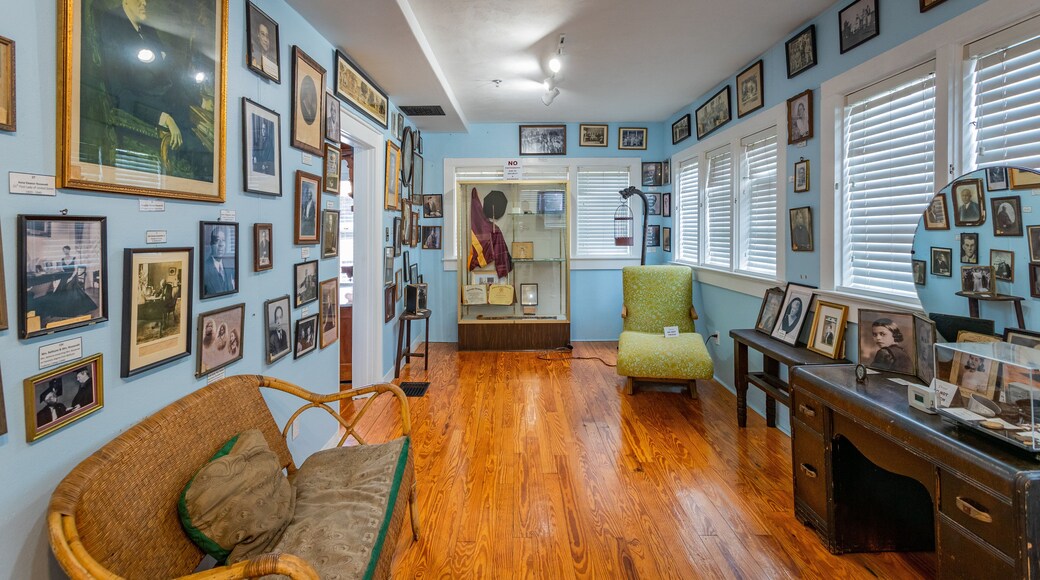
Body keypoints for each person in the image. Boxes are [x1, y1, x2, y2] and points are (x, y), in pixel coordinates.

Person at [98, 0, 210, 180]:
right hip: (150, 108)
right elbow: (120, 91)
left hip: (174, 104)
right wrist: (162, 117)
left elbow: (170, 74)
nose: (144, 3)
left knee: (207, 145)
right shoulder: (111, 23)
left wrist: (200, 101)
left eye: (146, 0)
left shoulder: (148, 30)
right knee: (199, 154)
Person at [203, 227, 235, 295]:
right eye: (217, 240)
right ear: (211, 244)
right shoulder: (204, 268)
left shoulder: (229, 266)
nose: (221, 244)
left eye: (223, 240)